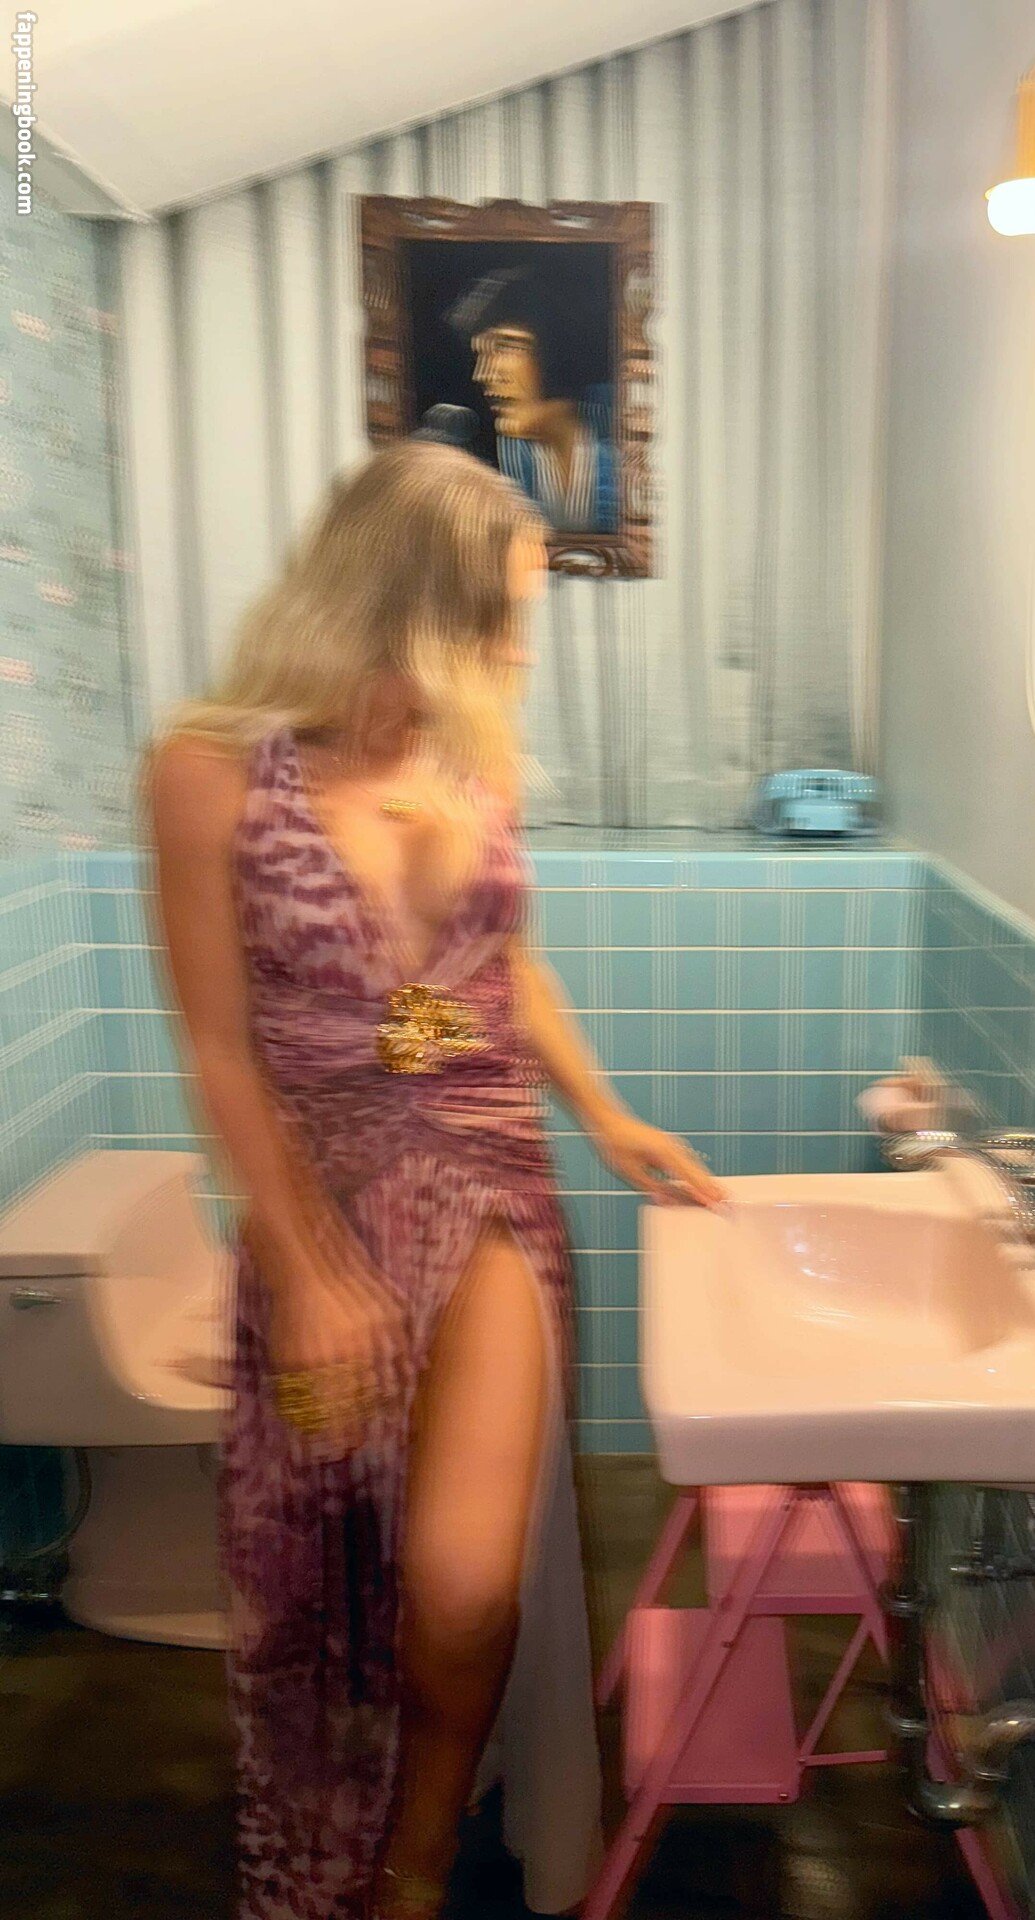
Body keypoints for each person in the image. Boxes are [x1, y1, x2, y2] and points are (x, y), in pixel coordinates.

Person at [144, 439, 720, 1920]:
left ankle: (420, 1852)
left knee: (464, 1583)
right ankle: (337, 1819)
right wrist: (302, 1265)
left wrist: (606, 1116)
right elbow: (219, 1048)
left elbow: (502, 966)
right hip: (321, 1188)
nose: (519, 650)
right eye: (503, 615)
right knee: (330, 1579)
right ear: (405, 603)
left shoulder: (474, 760)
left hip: (490, 1173)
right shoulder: (207, 773)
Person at [445, 265, 619, 535]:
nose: (482, 375)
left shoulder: (623, 430)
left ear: (558, 348)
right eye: (480, 354)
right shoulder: (508, 452)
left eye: (507, 346)